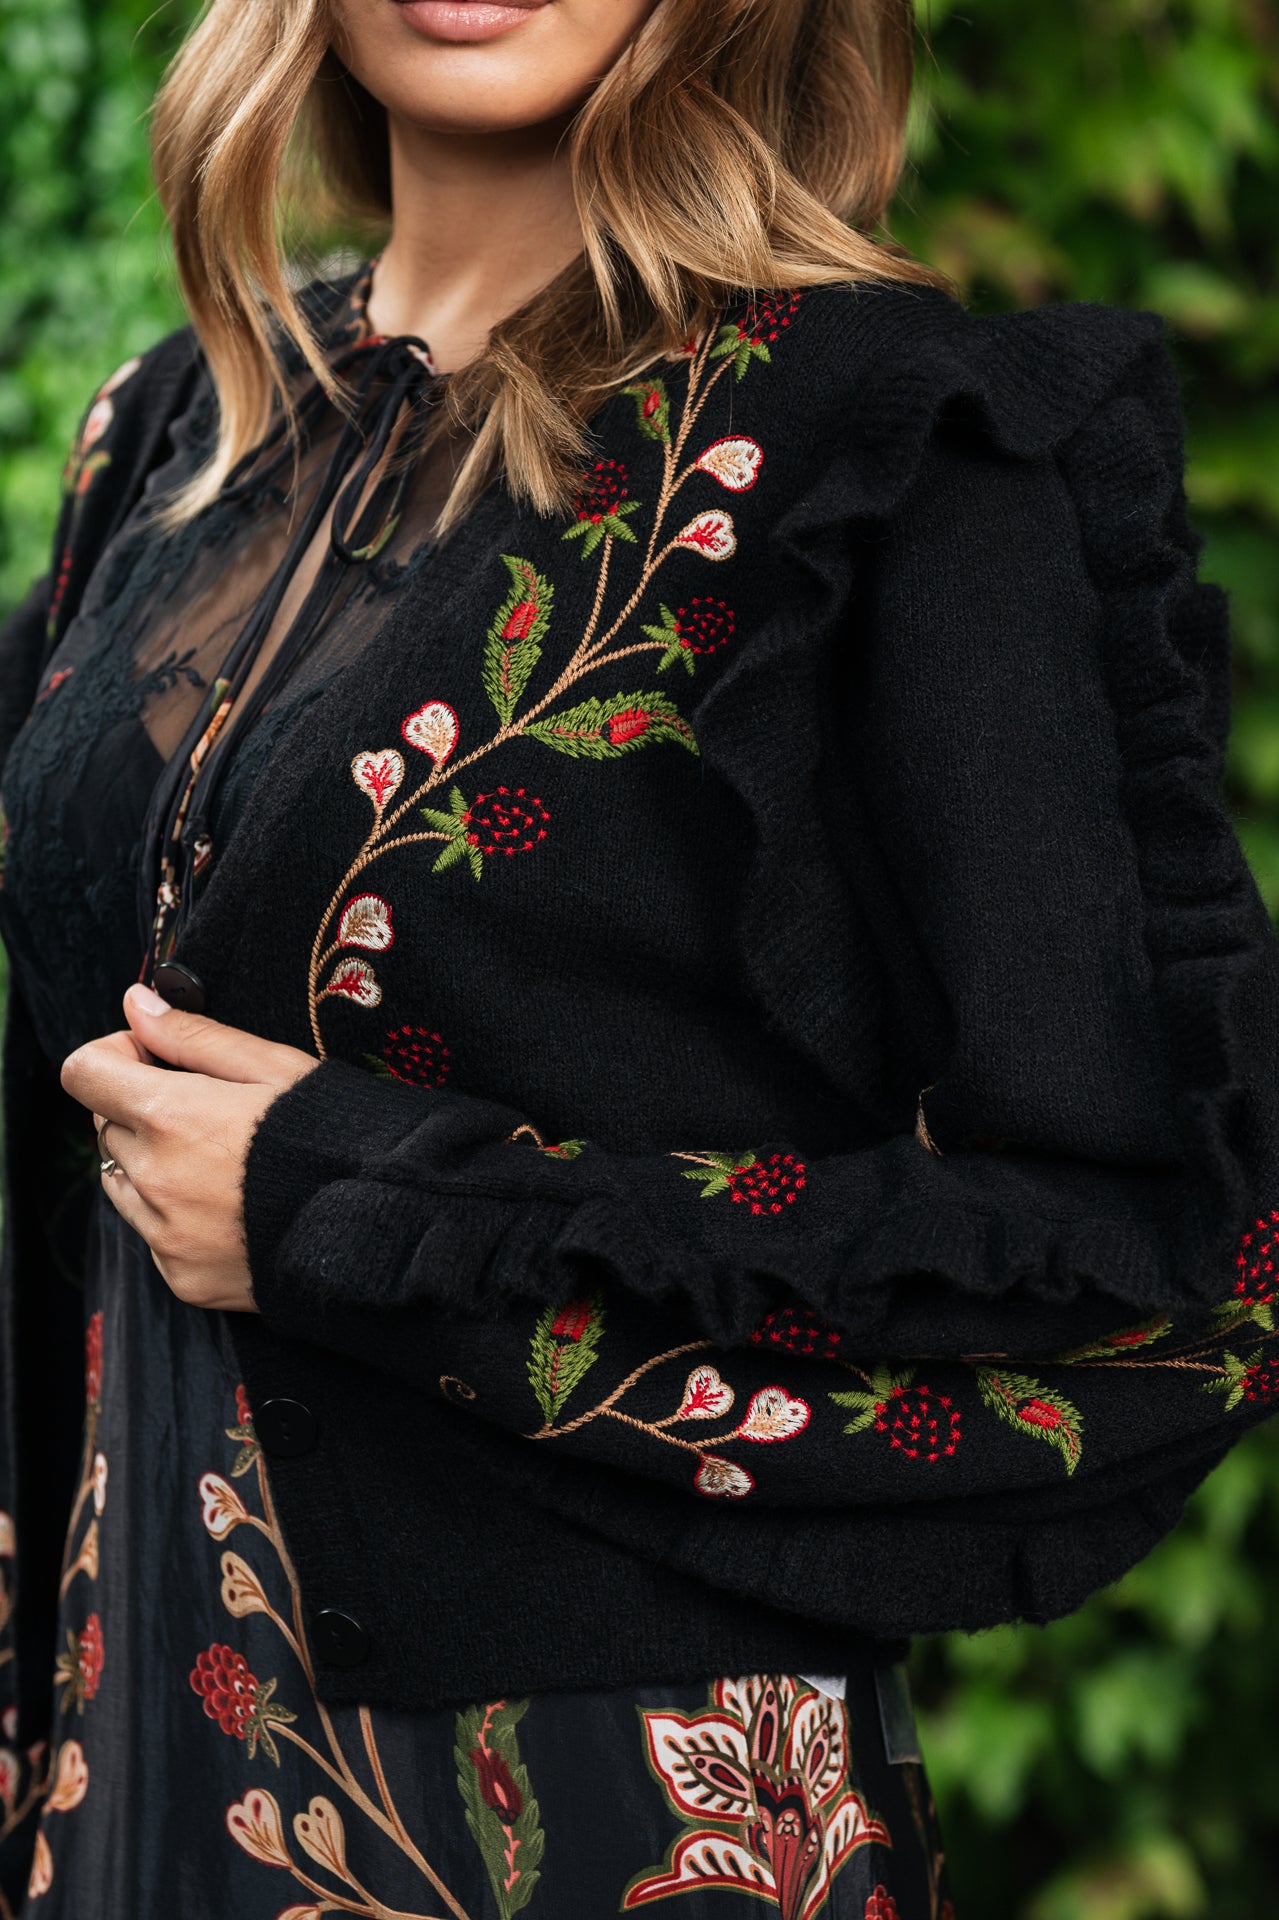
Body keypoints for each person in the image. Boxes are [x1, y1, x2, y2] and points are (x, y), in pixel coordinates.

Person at [1, 0, 1277, 1912]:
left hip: (612, 1816)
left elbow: (1168, 1279)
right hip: (133, 1778)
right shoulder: (179, 430)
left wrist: (357, 1210)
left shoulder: (896, 449)